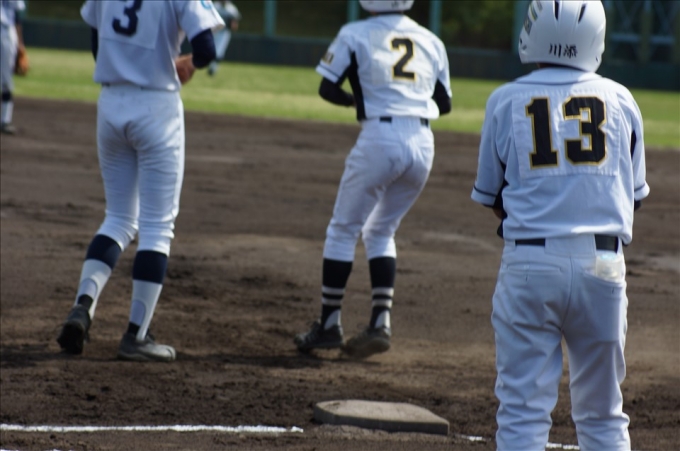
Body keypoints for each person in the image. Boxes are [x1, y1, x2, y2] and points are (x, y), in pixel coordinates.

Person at [470, 1, 650, 449]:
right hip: (603, 267)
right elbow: (633, 198)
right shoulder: (622, 100)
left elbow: (494, 198)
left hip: (531, 266)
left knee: (522, 413)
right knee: (604, 413)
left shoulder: (505, 99)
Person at [56, 0, 224, 362]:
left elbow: (97, 43)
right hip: (156, 107)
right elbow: (206, 49)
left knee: (117, 218)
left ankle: (82, 307)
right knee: (157, 228)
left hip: (111, 102)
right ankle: (137, 335)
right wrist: (187, 63)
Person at [294, 0, 451, 360]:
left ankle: (329, 324)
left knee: (342, 229)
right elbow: (443, 104)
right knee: (381, 230)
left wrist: (358, 100)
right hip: (423, 144)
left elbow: (327, 88)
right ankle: (380, 322)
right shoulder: (431, 40)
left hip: (380, 138)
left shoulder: (355, 33)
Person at [0, 0, 26, 135]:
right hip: (6, 32)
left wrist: (20, 44)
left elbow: (17, 15)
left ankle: (5, 120)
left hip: (7, 31)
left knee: (6, 78)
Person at [207, 0, 240, 76]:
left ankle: (213, 68)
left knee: (219, 51)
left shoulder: (231, 9)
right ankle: (211, 65)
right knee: (210, 50)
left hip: (224, 32)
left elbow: (235, 24)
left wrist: (233, 25)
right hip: (214, 31)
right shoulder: (215, 6)